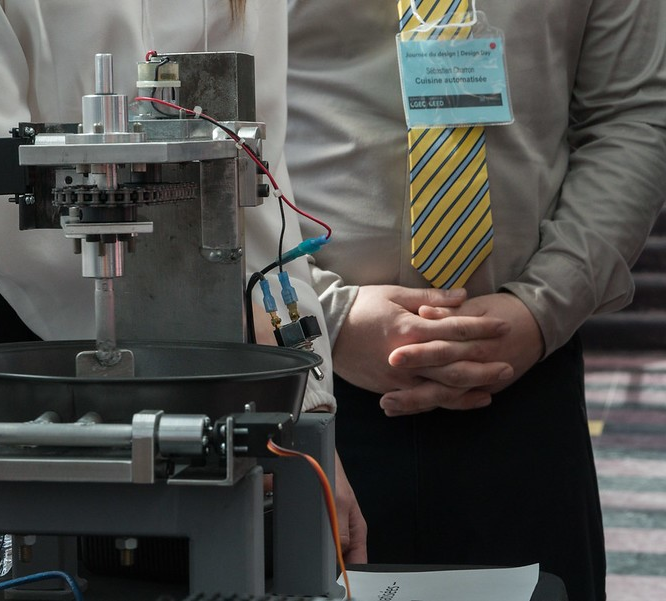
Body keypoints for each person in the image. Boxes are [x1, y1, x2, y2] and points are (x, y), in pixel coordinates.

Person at [0, 0, 374, 564]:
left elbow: (258, 183)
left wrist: (303, 411)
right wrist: (197, 372)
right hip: (3, 325)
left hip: (213, 353)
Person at [284, 1, 666, 601]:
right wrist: (318, 317)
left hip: (522, 378)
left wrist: (544, 307)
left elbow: (632, 115)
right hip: (299, 383)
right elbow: (210, 113)